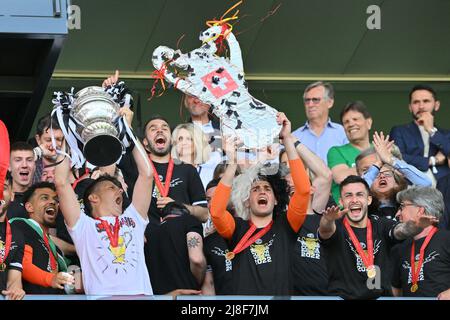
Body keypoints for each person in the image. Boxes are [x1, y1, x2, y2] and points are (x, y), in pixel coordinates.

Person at [54, 112, 154, 295]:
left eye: (118, 189)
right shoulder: (83, 226)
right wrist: (68, 134)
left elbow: (147, 174)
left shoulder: (134, 219)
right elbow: (60, 182)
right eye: (111, 188)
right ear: (93, 198)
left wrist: (128, 134)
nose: (119, 191)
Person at [210, 112, 311, 295]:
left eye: (267, 188)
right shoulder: (237, 229)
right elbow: (216, 212)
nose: (262, 191)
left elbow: (303, 191)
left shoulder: (286, 226)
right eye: (255, 189)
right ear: (247, 201)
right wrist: (232, 162)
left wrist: (286, 139)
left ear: (276, 200)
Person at [318, 175, 439, 299]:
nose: (354, 200)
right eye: (348, 195)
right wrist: (327, 220)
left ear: (369, 200)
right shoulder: (336, 226)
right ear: (341, 201)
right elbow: (325, 230)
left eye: (359, 194)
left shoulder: (381, 224)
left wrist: (417, 226)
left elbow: (400, 231)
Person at [279, 136, 333, 296]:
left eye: (294, 165)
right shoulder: (280, 217)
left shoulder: (317, 209)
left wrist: (290, 139)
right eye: (285, 166)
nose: (291, 172)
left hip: (325, 295)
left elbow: (326, 175)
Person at [10, 182, 74, 294]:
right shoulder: (21, 225)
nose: (53, 202)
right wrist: (51, 279)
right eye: (44, 198)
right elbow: (23, 263)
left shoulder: (56, 250)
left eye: (56, 200)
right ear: (29, 207)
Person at [356, 132, 432, 219]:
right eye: (375, 173)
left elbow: (426, 184)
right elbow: (358, 191)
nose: (382, 176)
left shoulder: (407, 199)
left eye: (387, 173)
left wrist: (391, 160)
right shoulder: (360, 203)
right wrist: (377, 164)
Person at [391, 186, 450, 299]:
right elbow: (395, 291)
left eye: (402, 207)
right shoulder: (399, 249)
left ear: (420, 210)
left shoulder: (447, 240)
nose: (397, 214)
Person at [390, 84, 450, 187]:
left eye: (426, 101)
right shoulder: (399, 131)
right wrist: (433, 160)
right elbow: (397, 159)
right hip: (410, 185)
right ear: (410, 107)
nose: (421, 106)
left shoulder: (446, 134)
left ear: (436, 105)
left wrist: (431, 131)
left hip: (442, 188)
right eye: (416, 102)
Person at [292, 81, 348, 165]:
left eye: (315, 100)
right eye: (307, 100)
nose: (310, 104)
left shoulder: (343, 132)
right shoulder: (294, 136)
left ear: (330, 102)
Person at [327, 101, 373, 203]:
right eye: (346, 122)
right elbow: (340, 177)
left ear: (368, 123)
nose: (351, 124)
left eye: (355, 119)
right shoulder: (336, 151)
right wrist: (378, 164)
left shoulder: (379, 147)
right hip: (345, 211)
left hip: (374, 208)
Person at [201, 178, 234, 295]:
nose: (212, 204)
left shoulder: (248, 230)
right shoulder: (207, 241)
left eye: (218, 198)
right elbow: (209, 284)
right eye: (208, 200)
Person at [171, 123, 222, 189]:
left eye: (189, 139)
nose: (184, 143)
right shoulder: (168, 170)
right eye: (180, 139)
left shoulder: (211, 171)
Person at [0, 172, 25, 300]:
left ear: (12, 195)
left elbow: (13, 281)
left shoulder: (17, 235)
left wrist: (16, 290)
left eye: (3, 188)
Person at [32, 114, 64, 183]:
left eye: (59, 139)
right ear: (38, 140)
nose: (54, 146)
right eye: (49, 140)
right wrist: (37, 152)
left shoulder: (77, 167)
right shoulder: (30, 168)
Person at [7, 142, 36, 219]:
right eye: (18, 160)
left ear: (35, 166)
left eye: (29, 160)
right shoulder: (2, 196)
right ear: (9, 166)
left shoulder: (39, 199)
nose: (24, 165)